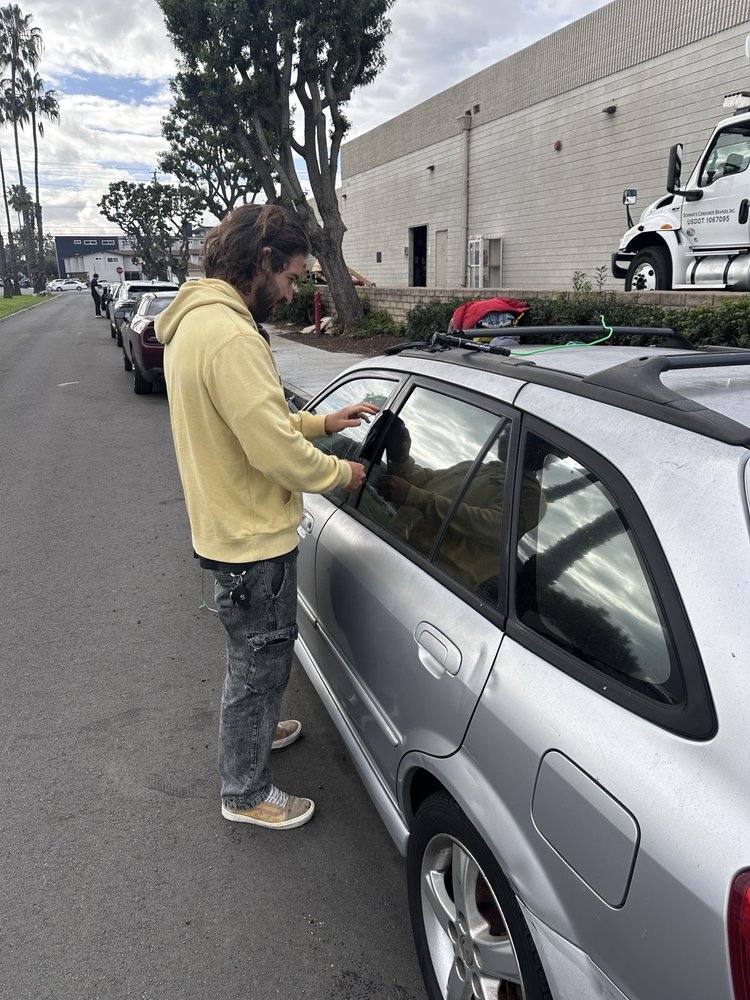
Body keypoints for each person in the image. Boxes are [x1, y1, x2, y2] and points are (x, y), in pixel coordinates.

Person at [154, 204, 377, 831]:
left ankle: (254, 729)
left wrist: (323, 422)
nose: (289, 292)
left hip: (226, 531)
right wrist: (341, 472)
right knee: (262, 659)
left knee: (252, 655)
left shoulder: (198, 324)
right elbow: (274, 449)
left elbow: (256, 420)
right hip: (252, 540)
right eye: (288, 278)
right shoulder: (230, 335)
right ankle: (246, 791)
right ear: (263, 260)